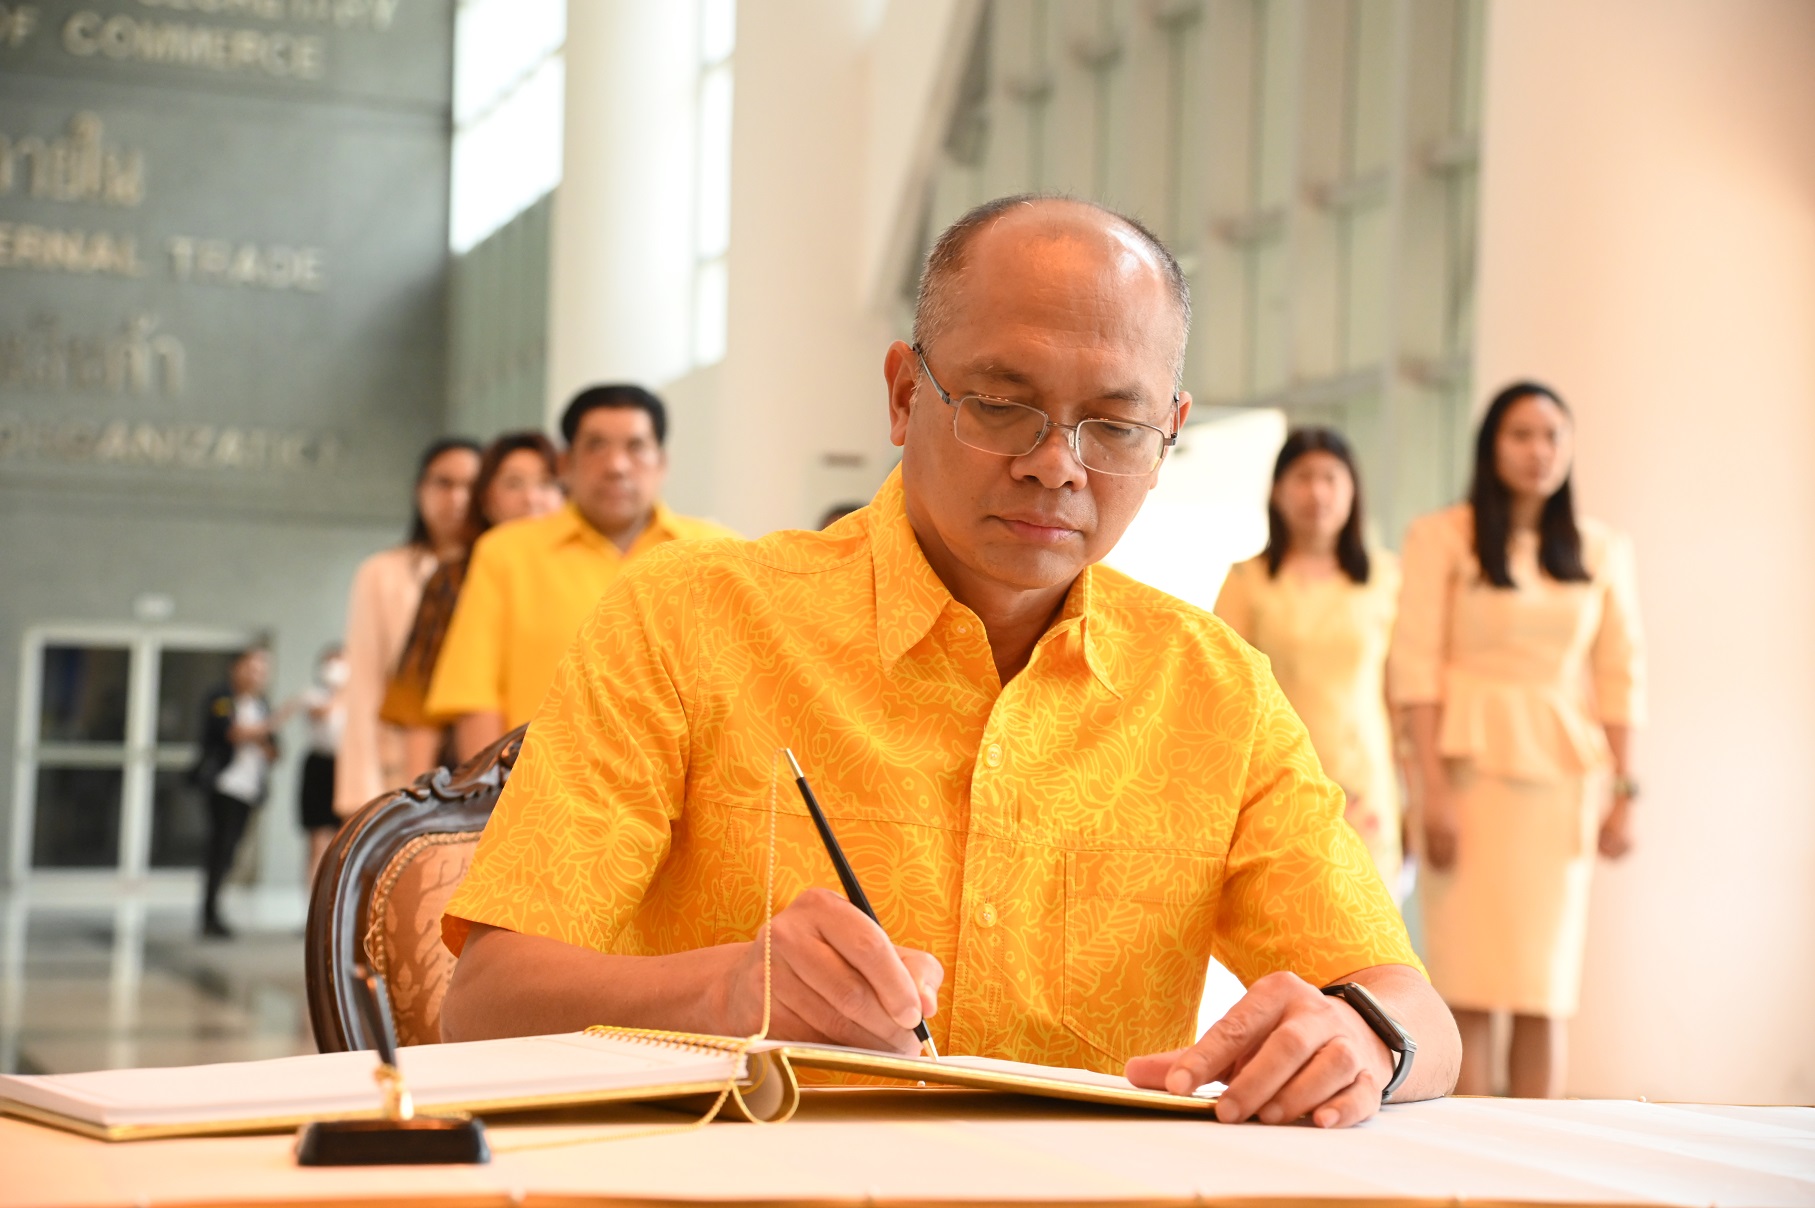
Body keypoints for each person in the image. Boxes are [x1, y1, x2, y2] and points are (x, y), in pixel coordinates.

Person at [439, 196, 1459, 1129]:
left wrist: (1367, 1037)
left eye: (1113, 423)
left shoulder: (1213, 690)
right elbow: (486, 1004)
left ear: (1169, 435)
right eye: (1003, 402)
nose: (1056, 461)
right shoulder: (692, 618)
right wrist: (725, 989)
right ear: (902, 393)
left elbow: (1420, 1013)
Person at [1388, 381, 1644, 1099]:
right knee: (1467, 985)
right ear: (1490, 446)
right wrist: (1427, 792)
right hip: (1463, 781)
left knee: (1542, 990)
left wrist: (1624, 793)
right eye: (1520, 435)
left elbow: (1622, 676)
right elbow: (1415, 672)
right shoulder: (1441, 536)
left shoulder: (1602, 549)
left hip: (1560, 784)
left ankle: (1537, 1171)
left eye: (1552, 436)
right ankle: (1469, 1170)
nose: (1539, 452)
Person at [425, 387, 738, 761]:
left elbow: (743, 692)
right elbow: (475, 697)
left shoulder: (719, 553)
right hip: (546, 800)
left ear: (661, 463)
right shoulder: (506, 553)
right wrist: (493, 809)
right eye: (596, 446)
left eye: (636, 447)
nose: (616, 465)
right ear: (564, 464)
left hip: (686, 804)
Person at [1214, 428, 1403, 888]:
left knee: (1370, 933)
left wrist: (1413, 794)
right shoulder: (1247, 580)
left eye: (1330, 478)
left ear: (1352, 491)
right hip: (1278, 783)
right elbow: (1224, 692)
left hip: (1366, 786)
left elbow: (1400, 689)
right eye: (1302, 477)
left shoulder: (1384, 577)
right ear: (1278, 492)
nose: (1317, 491)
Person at [383, 432, 563, 780]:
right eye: (514, 484)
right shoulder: (454, 580)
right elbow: (419, 709)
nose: (533, 498)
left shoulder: (582, 575)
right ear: (487, 499)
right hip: (471, 777)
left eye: (547, 484)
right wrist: (423, 806)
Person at [333, 438, 482, 817]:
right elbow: (364, 683)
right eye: (444, 484)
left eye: (471, 486)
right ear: (421, 490)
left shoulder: (500, 570)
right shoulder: (382, 573)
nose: (458, 498)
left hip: (490, 761)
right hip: (405, 766)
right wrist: (361, 794)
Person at [191, 646, 277, 938]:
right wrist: (265, 728)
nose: (257, 676)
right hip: (224, 785)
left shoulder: (262, 705)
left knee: (232, 851)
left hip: (249, 789)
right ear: (236, 668)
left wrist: (265, 737)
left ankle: (216, 908)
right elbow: (232, 733)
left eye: (262, 670)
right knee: (220, 847)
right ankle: (209, 912)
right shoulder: (221, 699)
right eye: (252, 668)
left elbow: (274, 749)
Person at [295, 644, 347, 887]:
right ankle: (311, 911)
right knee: (317, 839)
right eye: (330, 663)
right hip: (319, 766)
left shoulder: (358, 698)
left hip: (345, 768)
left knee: (347, 839)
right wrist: (342, 692)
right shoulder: (312, 694)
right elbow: (321, 713)